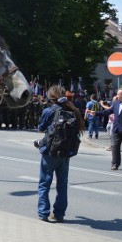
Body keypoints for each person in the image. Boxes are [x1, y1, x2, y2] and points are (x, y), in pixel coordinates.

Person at [35, 85, 84, 222]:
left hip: (49, 152)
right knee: (62, 185)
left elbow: (41, 128)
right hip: (66, 153)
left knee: (44, 183)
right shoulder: (72, 110)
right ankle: (59, 213)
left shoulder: (49, 111)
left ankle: (43, 212)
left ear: (51, 97)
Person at [101, 87, 122, 171]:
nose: (116, 95)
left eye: (118, 94)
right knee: (115, 147)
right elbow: (107, 112)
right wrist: (96, 113)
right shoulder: (116, 103)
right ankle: (115, 164)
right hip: (116, 130)